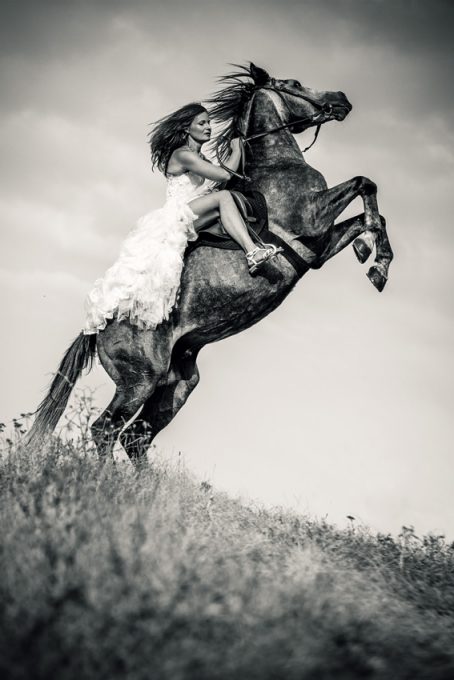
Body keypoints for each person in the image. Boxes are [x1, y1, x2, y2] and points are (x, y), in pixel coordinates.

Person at [83, 102, 279, 335]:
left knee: (225, 201)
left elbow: (221, 178)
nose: (208, 127)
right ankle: (253, 252)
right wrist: (237, 149)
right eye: (202, 123)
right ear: (187, 129)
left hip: (195, 212)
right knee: (224, 198)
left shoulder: (200, 157)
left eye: (209, 122)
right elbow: (226, 174)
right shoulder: (182, 155)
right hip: (179, 215)